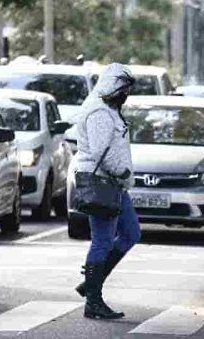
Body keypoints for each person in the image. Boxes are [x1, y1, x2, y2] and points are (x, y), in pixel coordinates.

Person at [72, 63, 140, 320]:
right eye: (124, 89)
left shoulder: (109, 108)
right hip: (104, 183)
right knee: (101, 240)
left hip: (115, 185)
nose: (126, 95)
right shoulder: (99, 111)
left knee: (131, 233)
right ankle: (93, 301)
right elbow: (102, 152)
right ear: (113, 86)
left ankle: (91, 282)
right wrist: (124, 173)